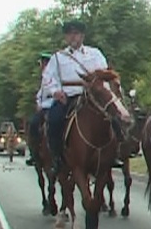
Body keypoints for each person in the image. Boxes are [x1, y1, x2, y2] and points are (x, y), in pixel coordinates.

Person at [41, 20, 109, 177]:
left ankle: (114, 154)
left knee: (113, 117)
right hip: (68, 97)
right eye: (69, 34)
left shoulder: (95, 54)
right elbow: (47, 78)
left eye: (76, 33)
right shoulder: (58, 57)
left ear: (82, 36)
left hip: (92, 96)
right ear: (66, 37)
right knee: (54, 119)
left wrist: (98, 89)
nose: (73, 37)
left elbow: (104, 74)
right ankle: (57, 157)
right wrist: (56, 92)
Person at [26, 52, 54, 166]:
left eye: (44, 63)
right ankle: (35, 152)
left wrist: (42, 104)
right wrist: (38, 102)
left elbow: (51, 93)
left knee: (34, 123)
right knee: (32, 124)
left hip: (51, 105)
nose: (42, 66)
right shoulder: (43, 77)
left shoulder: (52, 75)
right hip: (44, 105)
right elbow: (40, 94)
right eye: (41, 64)